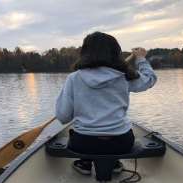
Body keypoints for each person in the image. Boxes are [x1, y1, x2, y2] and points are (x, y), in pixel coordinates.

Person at [55, 32, 157, 175]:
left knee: (81, 135)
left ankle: (85, 162)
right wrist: (140, 59)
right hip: (121, 143)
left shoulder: (73, 78)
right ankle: (114, 162)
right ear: (115, 53)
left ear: (85, 53)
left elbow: (63, 116)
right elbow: (150, 79)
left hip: (83, 144)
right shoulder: (125, 76)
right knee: (116, 136)